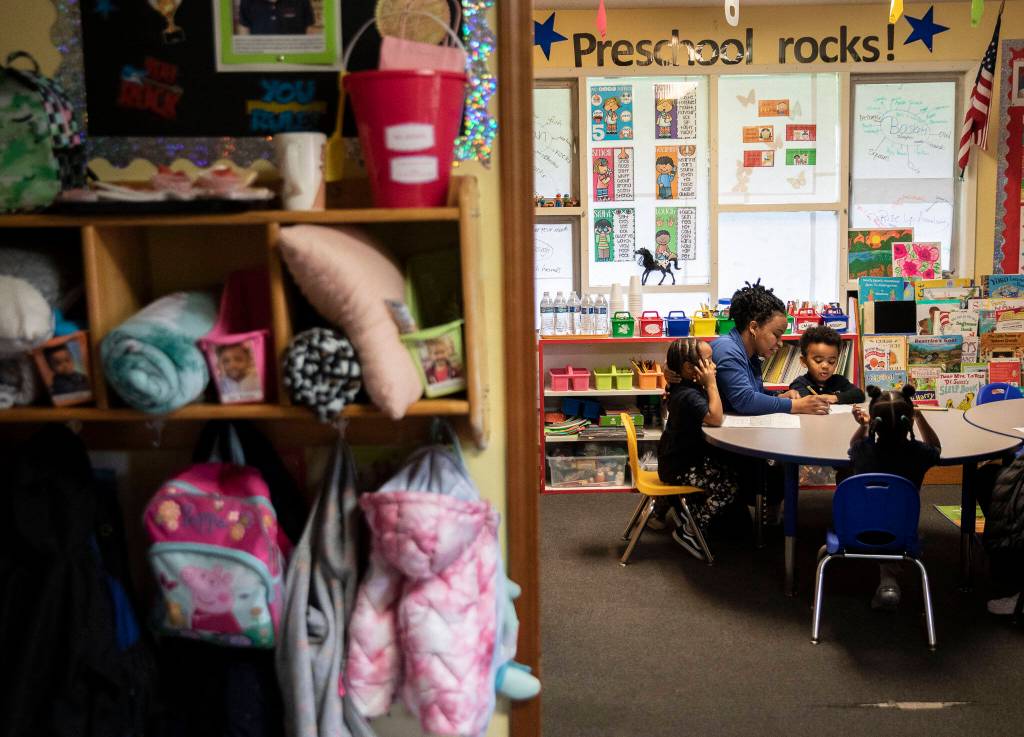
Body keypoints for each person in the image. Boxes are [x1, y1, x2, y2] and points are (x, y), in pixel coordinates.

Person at [849, 385, 941, 610]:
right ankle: (888, 578)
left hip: (859, 529)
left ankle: (886, 578)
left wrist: (865, 426)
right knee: (892, 516)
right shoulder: (918, 453)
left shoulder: (864, 451)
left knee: (876, 512)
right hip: (903, 529)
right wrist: (919, 417)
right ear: (908, 421)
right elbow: (936, 448)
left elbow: (853, 446)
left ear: (875, 421)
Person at [657, 338, 738, 560]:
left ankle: (670, 509)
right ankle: (690, 531)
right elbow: (715, 417)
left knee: (726, 469)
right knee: (727, 486)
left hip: (674, 459)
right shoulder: (688, 394)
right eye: (709, 361)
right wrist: (711, 384)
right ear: (687, 368)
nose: (714, 366)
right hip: (680, 467)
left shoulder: (682, 386)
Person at [711, 280, 830, 417]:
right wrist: (795, 405)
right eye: (776, 335)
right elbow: (745, 400)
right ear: (754, 328)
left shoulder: (750, 353)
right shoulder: (727, 349)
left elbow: (756, 392)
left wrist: (780, 397)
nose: (780, 343)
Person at [788, 325, 864, 404]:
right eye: (818, 360)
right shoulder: (799, 383)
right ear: (804, 361)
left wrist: (835, 398)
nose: (825, 366)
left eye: (831, 361)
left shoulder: (839, 381)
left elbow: (859, 395)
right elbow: (806, 401)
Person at [238, 0, 316, 35]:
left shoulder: (302, 1)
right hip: (260, 60)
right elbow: (244, 29)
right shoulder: (247, 1)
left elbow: (310, 29)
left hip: (295, 60)